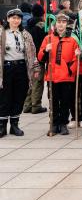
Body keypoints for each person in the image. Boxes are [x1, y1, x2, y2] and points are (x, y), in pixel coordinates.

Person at [0, 9, 41, 137]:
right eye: (13, 18)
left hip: (22, 68)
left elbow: (32, 52)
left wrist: (35, 68)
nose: (15, 20)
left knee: (19, 96)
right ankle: (2, 126)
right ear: (8, 19)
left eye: (18, 18)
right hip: (7, 68)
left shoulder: (25, 34)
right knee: (5, 97)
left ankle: (14, 125)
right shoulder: (2, 33)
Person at [38, 13, 80, 135]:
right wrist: (46, 50)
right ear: (55, 24)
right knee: (53, 101)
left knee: (65, 101)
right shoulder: (48, 38)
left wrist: (70, 70)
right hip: (52, 76)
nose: (61, 25)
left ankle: (63, 124)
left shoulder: (72, 39)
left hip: (66, 77)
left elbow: (75, 59)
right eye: (59, 22)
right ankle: (54, 123)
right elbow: (40, 58)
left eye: (63, 22)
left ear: (67, 24)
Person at [23, 3, 47, 114]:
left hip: (29, 57)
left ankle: (27, 105)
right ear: (42, 13)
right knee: (38, 81)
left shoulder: (28, 25)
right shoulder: (42, 26)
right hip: (39, 57)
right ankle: (36, 105)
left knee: (30, 81)